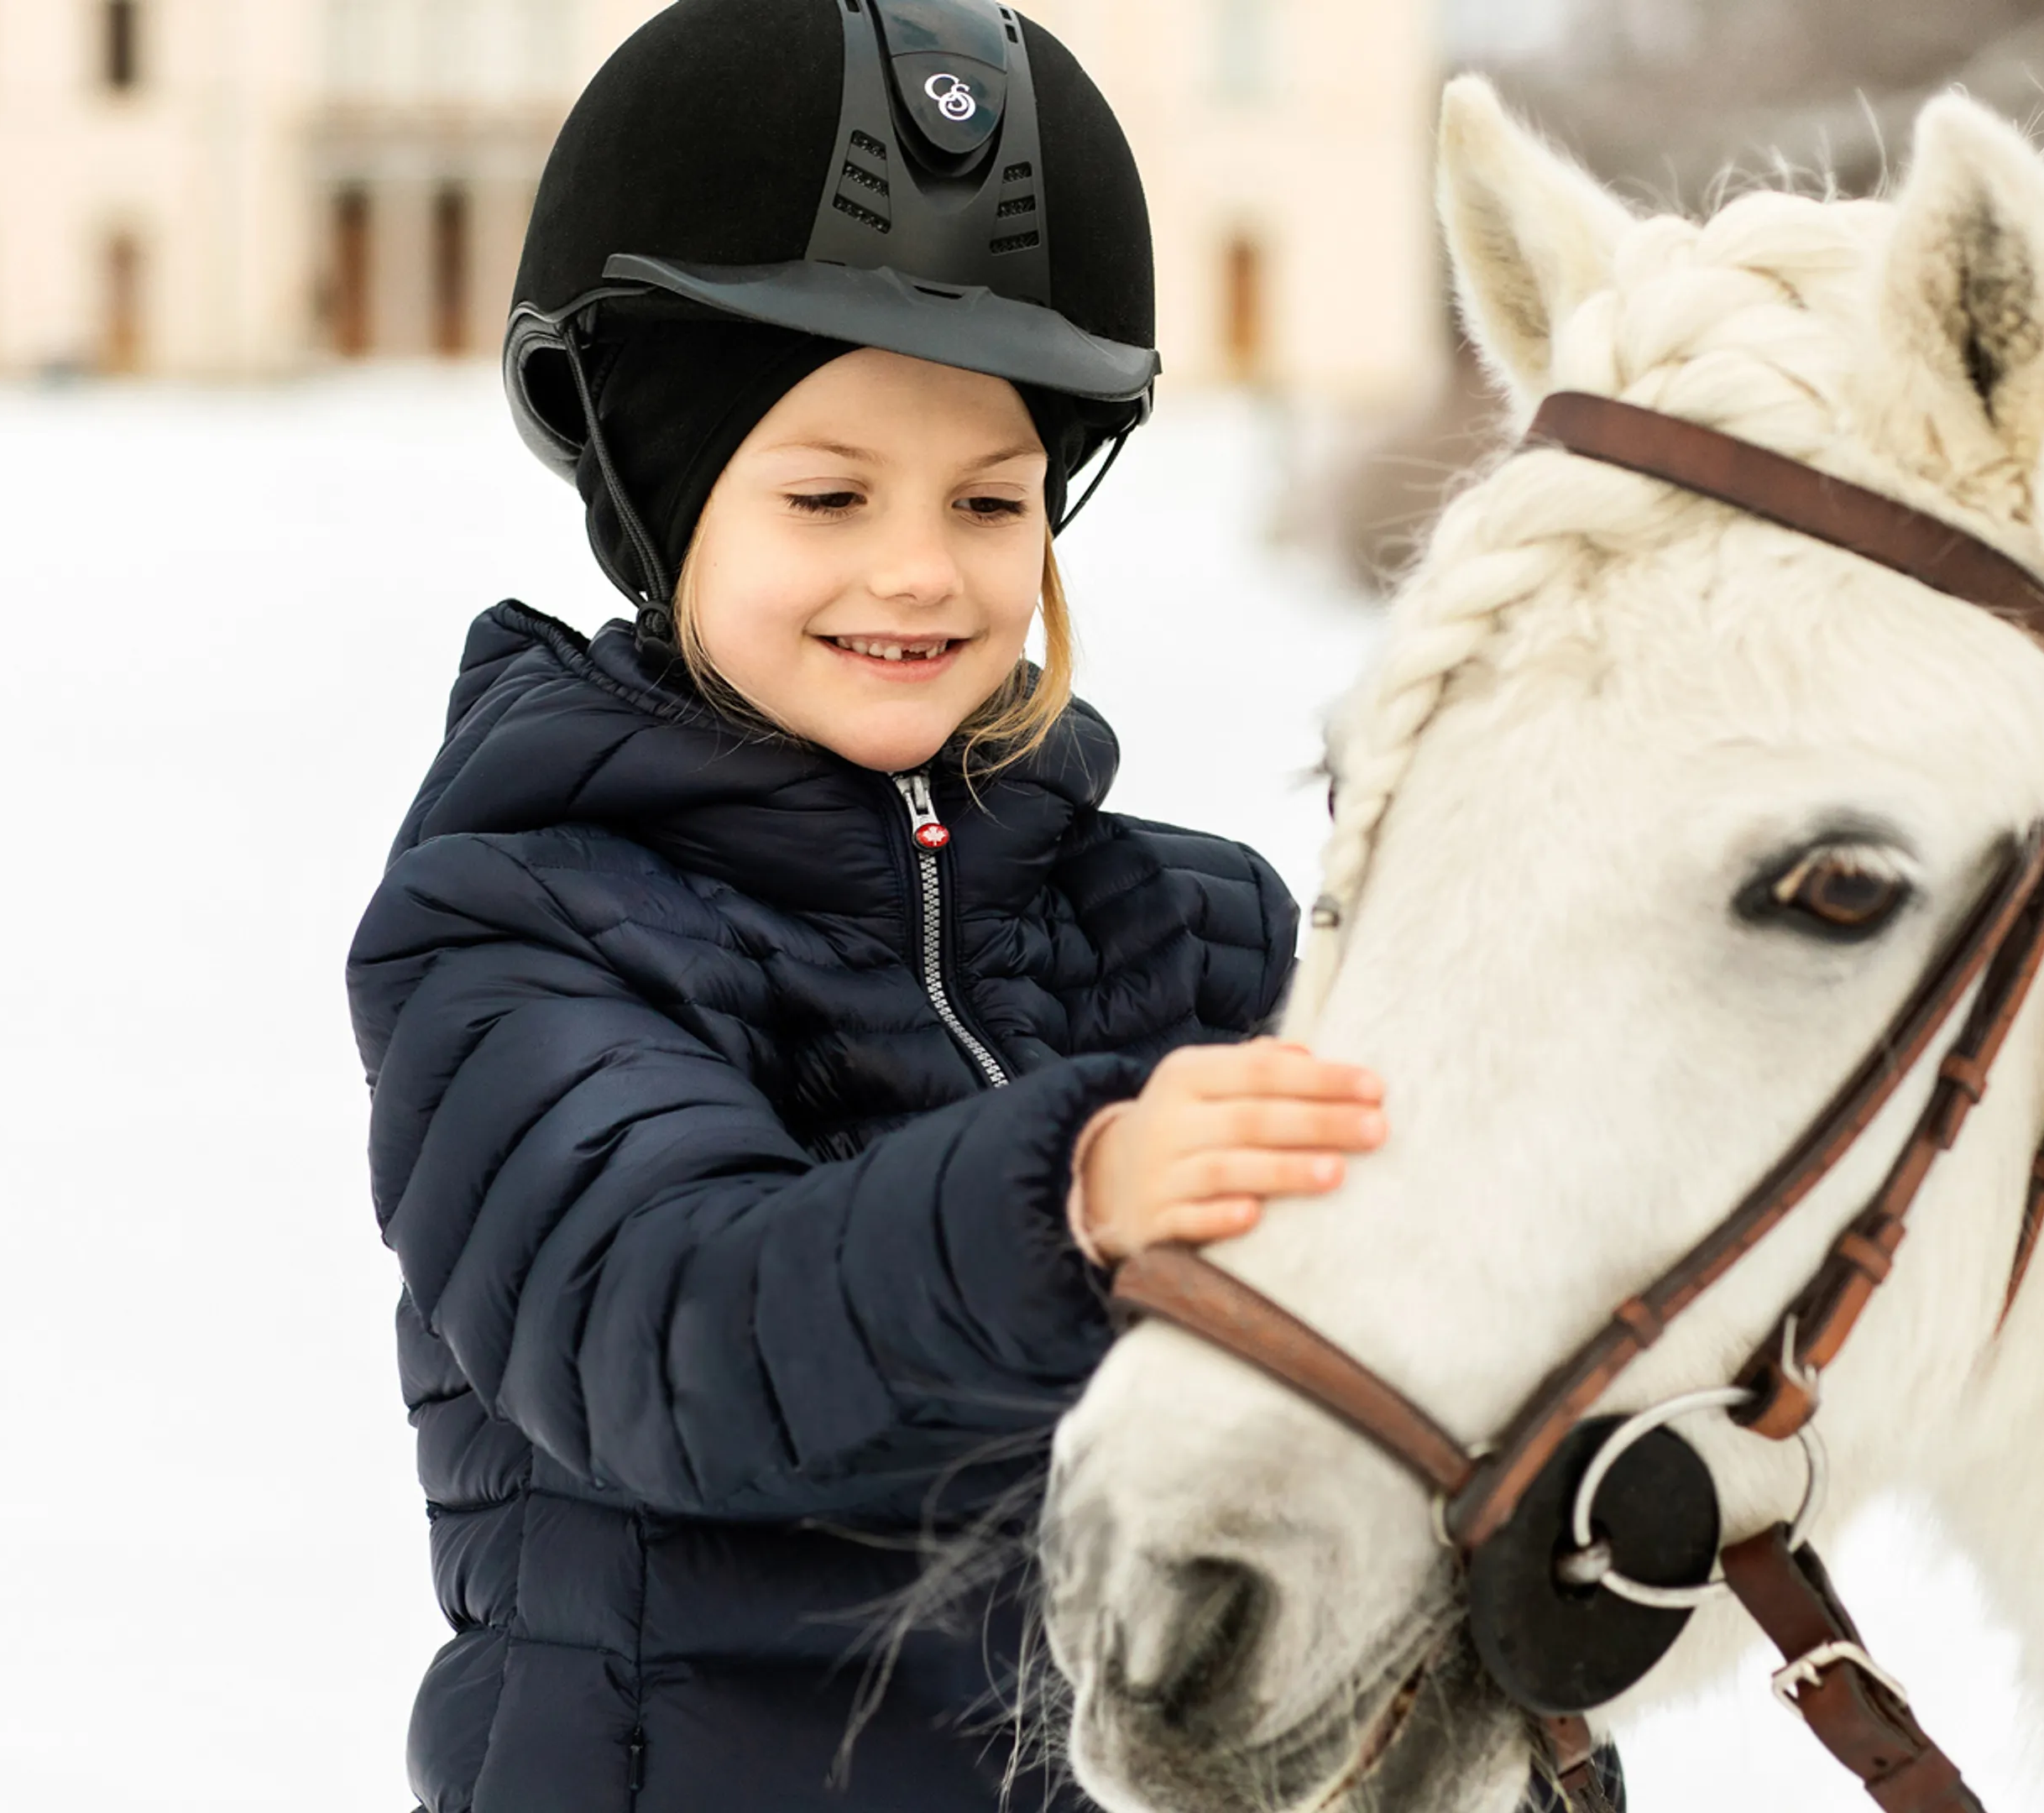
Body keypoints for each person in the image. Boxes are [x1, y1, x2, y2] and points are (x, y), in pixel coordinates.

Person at [342, 3, 1398, 1808]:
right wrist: (1070, 1197)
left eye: (991, 501)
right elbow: (673, 1334)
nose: (921, 568)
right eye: (826, 493)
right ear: (666, 510)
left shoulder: (1191, 935)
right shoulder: (526, 922)